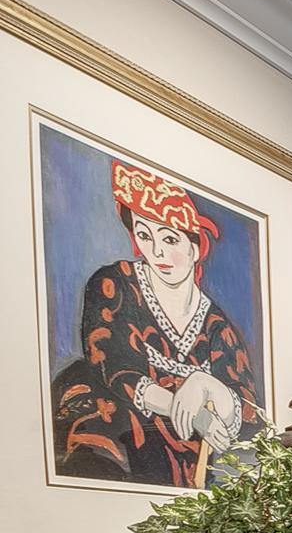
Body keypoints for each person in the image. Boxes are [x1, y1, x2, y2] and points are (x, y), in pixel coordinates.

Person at [50, 160, 263, 488]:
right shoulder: (113, 285)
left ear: (194, 247)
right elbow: (115, 367)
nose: (157, 251)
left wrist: (206, 385)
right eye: (145, 235)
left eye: (170, 240)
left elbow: (249, 409)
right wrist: (194, 413)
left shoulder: (218, 328)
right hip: (114, 423)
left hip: (182, 452)